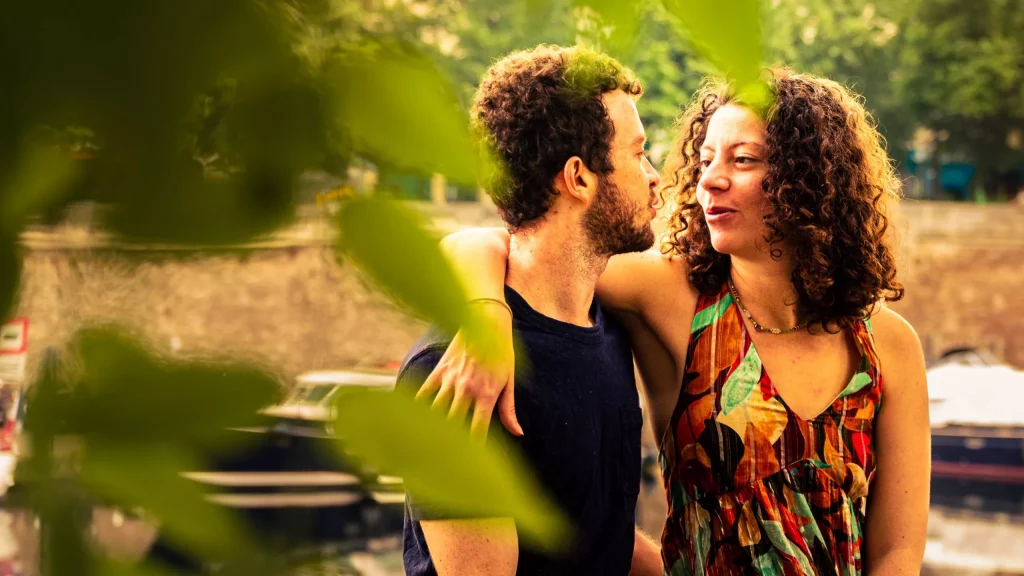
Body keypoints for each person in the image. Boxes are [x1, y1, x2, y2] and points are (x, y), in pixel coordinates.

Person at [420, 69, 931, 574]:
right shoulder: (669, 295)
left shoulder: (886, 344)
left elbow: (898, 551)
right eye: (705, 159)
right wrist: (486, 315)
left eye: (743, 160)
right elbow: (513, 244)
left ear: (812, 180)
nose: (709, 178)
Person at [398, 44, 664, 576]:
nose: (654, 175)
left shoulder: (604, 326)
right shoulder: (453, 373)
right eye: (639, 154)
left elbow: (588, 533)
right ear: (579, 177)